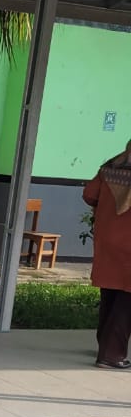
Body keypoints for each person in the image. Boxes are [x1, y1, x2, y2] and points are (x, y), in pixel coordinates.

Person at [83, 137, 131, 369]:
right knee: (127, 300)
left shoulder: (110, 167)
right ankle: (111, 355)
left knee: (110, 293)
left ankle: (104, 345)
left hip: (107, 240)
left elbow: (89, 195)